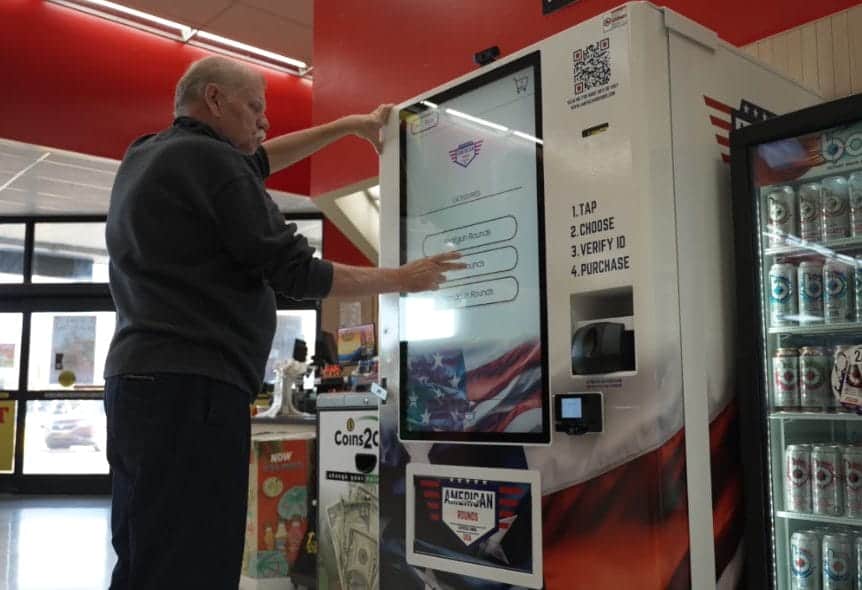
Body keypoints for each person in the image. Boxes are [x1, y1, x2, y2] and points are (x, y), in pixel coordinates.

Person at [103, 55, 462, 589]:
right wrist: (403, 279)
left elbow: (259, 159)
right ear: (215, 100)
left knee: (145, 549)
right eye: (255, 108)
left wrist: (347, 127)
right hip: (194, 389)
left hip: (137, 384)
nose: (264, 123)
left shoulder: (149, 155)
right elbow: (296, 270)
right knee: (195, 557)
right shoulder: (214, 163)